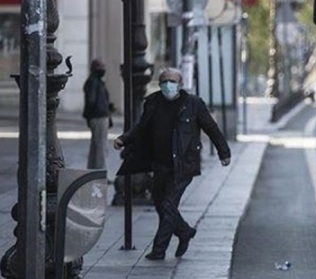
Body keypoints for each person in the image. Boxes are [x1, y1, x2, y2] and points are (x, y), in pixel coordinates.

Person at [113, 67, 231, 261]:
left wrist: (223, 152)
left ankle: (159, 250)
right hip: (160, 164)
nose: (168, 85)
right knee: (161, 205)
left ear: (181, 84)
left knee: (168, 204)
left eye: (172, 81)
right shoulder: (152, 103)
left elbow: (211, 128)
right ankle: (184, 232)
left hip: (184, 165)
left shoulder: (193, 104)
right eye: (164, 81)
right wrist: (124, 139)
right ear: (159, 85)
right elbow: (141, 128)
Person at [82, 58, 113, 170]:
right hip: (99, 116)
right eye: (101, 66)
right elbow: (91, 100)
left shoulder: (95, 82)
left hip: (98, 116)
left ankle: (93, 170)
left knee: (96, 146)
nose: (104, 69)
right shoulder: (94, 82)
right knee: (101, 146)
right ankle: (100, 171)